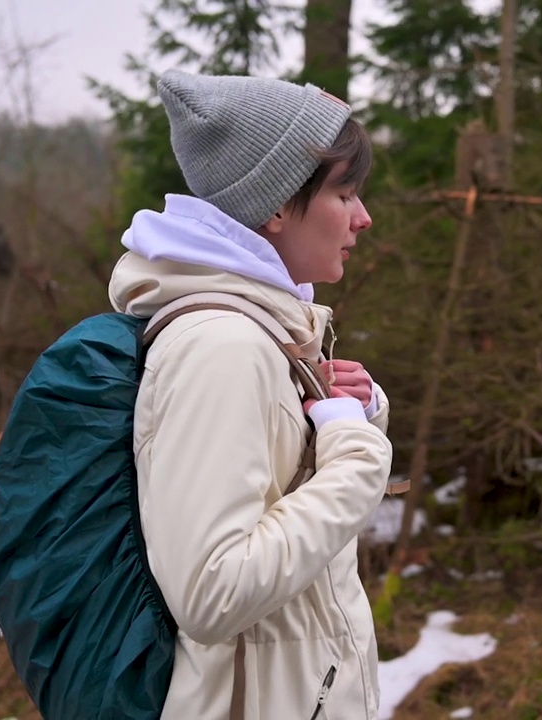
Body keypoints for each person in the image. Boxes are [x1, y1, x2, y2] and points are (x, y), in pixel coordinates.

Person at [107, 69, 393, 719]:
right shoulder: (222, 349)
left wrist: (354, 413)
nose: (363, 217)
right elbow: (212, 593)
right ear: (275, 203)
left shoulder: (261, 335)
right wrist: (356, 457)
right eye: (345, 193)